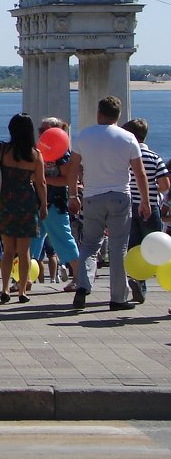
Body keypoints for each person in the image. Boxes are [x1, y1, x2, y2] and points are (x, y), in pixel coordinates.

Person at [69, 96, 151, 312]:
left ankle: (83, 286)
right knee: (118, 248)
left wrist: (72, 195)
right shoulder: (128, 138)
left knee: (89, 244)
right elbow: (139, 172)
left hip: (92, 196)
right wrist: (145, 200)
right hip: (120, 196)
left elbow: (73, 168)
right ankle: (117, 297)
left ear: (99, 113)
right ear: (119, 115)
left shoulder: (84, 136)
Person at [0, 113, 47, 304]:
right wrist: (43, 205)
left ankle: (5, 288)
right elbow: (41, 183)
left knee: (8, 249)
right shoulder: (36, 154)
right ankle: (22, 290)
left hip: (5, 203)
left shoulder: (2, 150)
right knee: (24, 251)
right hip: (26, 202)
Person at [121, 117, 168, 303]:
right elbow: (165, 185)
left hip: (129, 206)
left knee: (133, 247)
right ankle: (149, 282)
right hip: (150, 206)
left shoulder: (124, 157)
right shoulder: (154, 157)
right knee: (154, 247)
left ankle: (138, 280)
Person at [32, 117, 82, 292]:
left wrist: (44, 180)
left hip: (55, 203)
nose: (40, 133)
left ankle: (78, 277)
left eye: (43, 130)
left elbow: (68, 180)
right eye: (40, 130)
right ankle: (25, 277)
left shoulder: (62, 154)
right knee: (31, 242)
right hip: (37, 202)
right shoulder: (39, 151)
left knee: (64, 240)